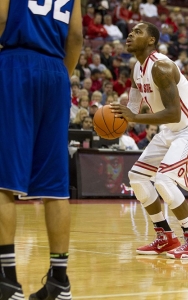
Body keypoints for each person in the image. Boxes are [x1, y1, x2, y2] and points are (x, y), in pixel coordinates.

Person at [111, 22, 188, 259]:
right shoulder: (137, 68)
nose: (130, 34)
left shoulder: (162, 67)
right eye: (131, 31)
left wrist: (135, 116)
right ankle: (165, 237)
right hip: (172, 129)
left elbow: (173, 112)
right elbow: (135, 100)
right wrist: (120, 119)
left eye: (138, 32)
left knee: (164, 180)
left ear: (151, 41)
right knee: (137, 177)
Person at [0, 0, 82, 299]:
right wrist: (61, 74)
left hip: (15, 66)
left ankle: (7, 281)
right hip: (55, 72)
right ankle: (59, 281)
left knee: (3, 179)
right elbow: (75, 38)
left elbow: (0, 18)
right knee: (55, 186)